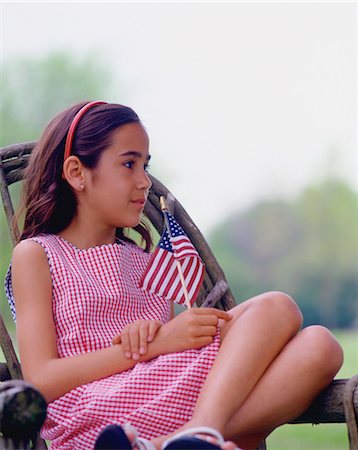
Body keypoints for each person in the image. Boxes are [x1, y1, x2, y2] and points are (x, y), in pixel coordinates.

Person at [5, 101, 343, 450]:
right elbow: (40, 379)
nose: (144, 181)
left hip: (162, 403)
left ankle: (187, 437)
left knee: (322, 346)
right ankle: (202, 434)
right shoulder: (38, 254)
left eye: (145, 166)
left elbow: (169, 358)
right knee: (277, 306)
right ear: (77, 173)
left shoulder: (148, 264)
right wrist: (154, 344)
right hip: (96, 417)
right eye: (129, 164)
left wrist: (183, 336)